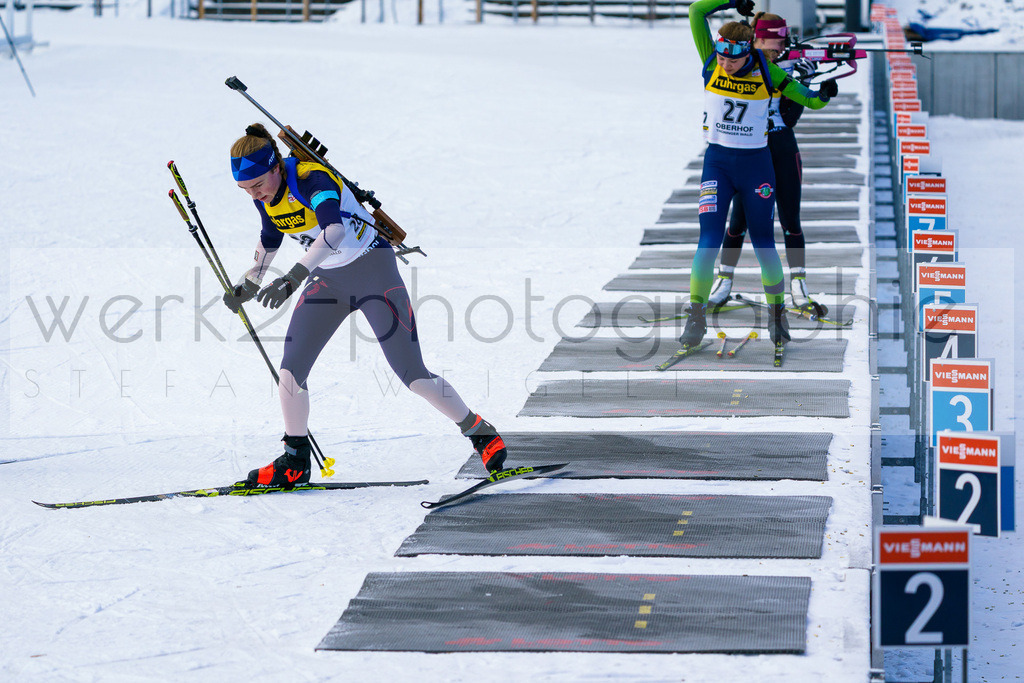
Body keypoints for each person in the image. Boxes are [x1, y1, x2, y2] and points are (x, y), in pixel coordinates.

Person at [222, 124, 507, 486]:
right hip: (328, 281)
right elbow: (270, 237)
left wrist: (293, 277)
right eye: (245, 190)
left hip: (374, 272)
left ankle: (480, 432)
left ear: (277, 166)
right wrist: (250, 282)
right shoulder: (267, 197)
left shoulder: (312, 179)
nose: (255, 195)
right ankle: (295, 460)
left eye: (258, 185)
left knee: (413, 375)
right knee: (291, 373)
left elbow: (334, 231)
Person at [683, 0, 838, 347]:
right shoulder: (712, 59)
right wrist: (728, 1)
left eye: (733, 60)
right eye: (722, 58)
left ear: (747, 52)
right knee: (708, 239)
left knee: (764, 243)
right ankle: (696, 316)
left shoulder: (768, 71)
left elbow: (810, 100)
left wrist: (824, 95)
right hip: (718, 165)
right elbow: (696, 11)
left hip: (756, 167)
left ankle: (777, 316)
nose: (726, 65)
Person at [707, 11, 826, 315]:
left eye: (781, 43)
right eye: (771, 42)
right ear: (755, 41)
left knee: (790, 218)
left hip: (780, 146)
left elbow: (790, 116)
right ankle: (724, 280)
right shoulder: (742, 62)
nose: (778, 49)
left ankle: (798, 286)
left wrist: (806, 78)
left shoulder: (785, 67)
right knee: (738, 221)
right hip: (748, 151)